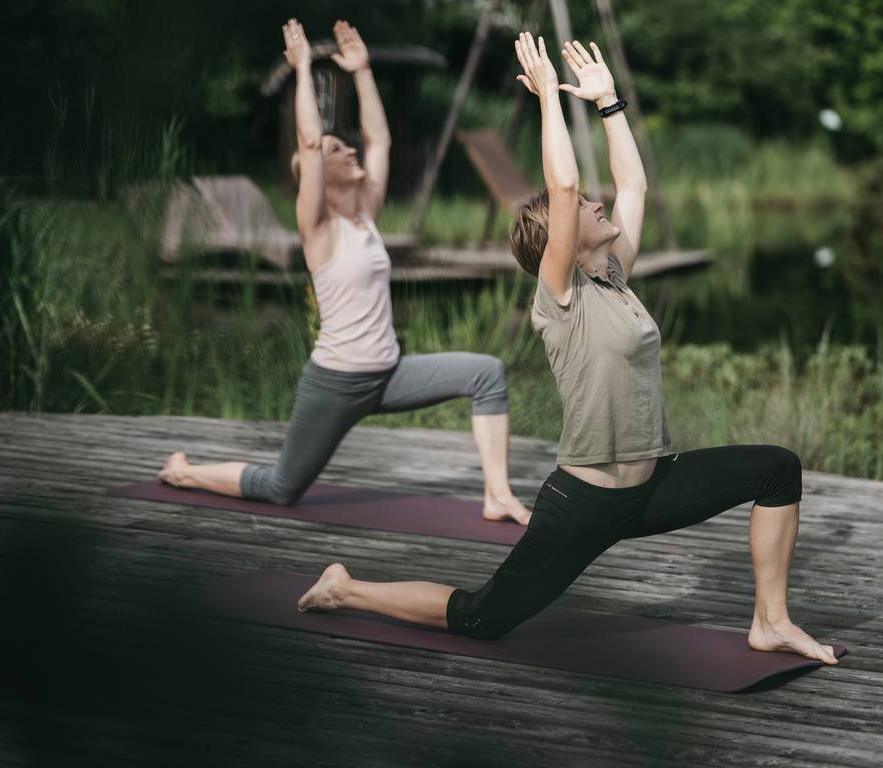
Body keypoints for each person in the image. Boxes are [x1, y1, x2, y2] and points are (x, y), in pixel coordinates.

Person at [296, 32, 839, 666]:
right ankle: (346, 588)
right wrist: (551, 98)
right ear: (560, 234)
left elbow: (632, 189)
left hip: (651, 487)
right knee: (482, 617)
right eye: (585, 206)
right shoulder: (559, 297)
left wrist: (610, 104)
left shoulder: (612, 278)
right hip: (585, 502)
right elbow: (562, 185)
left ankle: (771, 622)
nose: (597, 201)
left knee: (777, 468)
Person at [157, 19, 532, 526]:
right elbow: (311, 144)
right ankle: (186, 472)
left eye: (345, 146)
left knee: (486, 373)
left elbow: (379, 140)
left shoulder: (364, 218)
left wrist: (362, 72)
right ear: (315, 174)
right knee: (282, 487)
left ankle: (498, 494)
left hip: (390, 374)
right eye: (339, 150)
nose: (349, 149)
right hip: (337, 383)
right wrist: (306, 68)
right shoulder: (320, 229)